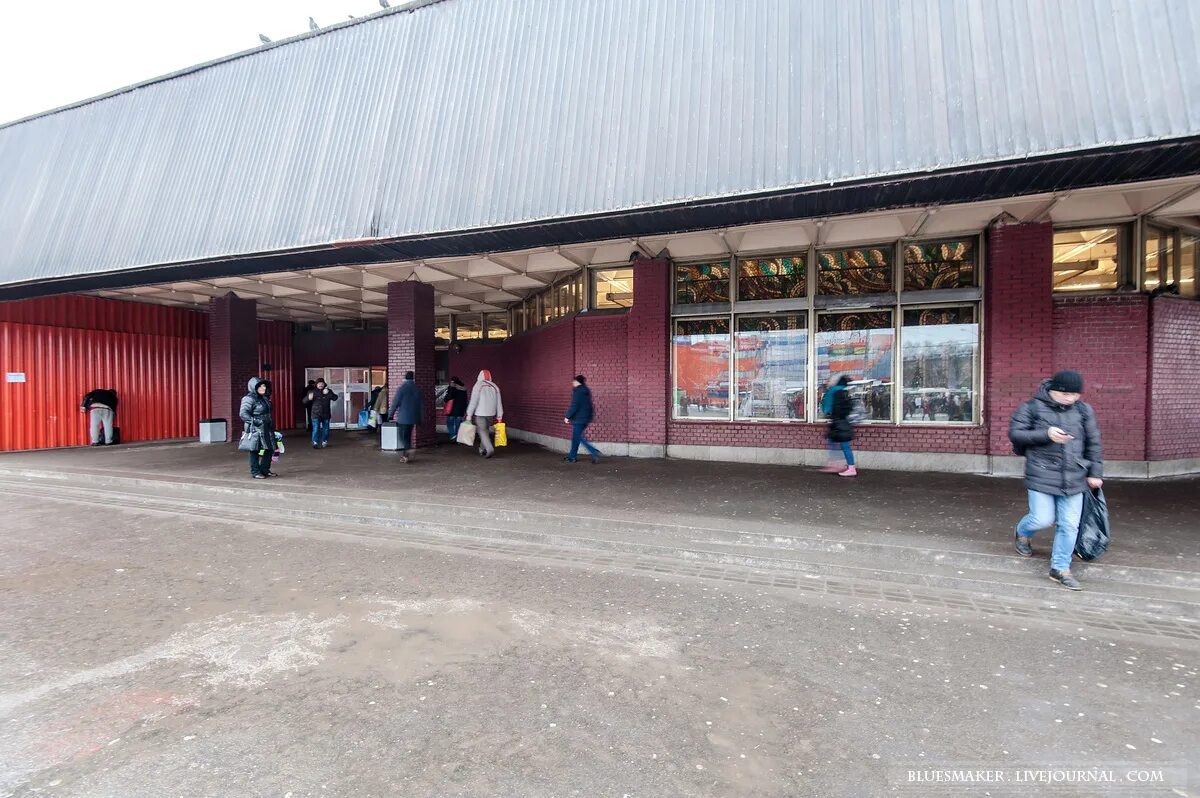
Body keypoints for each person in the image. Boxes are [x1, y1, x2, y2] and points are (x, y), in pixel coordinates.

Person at [1008, 370, 1103, 591]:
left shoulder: (1083, 410)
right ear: (1053, 390)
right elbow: (1016, 434)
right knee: (1041, 519)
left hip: (1075, 475)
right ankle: (1023, 532)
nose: (1071, 399)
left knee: (1069, 525)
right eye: (1066, 394)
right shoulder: (1030, 407)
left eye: (1075, 395)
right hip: (1041, 472)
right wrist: (1046, 434)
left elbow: (1094, 443)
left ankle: (1060, 568)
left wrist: (1095, 473)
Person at [239, 377, 277, 479]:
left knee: (269, 448)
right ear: (253, 387)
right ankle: (255, 472)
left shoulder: (264, 398)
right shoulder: (248, 398)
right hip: (255, 428)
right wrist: (256, 421)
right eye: (259, 386)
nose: (262, 388)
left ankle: (265, 470)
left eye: (264, 385)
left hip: (267, 427)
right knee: (254, 450)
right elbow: (243, 414)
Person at [820, 374, 857, 477]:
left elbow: (829, 408)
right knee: (833, 441)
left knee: (844, 445)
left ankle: (850, 467)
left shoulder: (834, 391)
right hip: (842, 421)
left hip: (840, 422)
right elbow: (848, 407)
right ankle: (838, 464)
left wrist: (831, 414)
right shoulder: (844, 391)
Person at [465, 369, 504, 459]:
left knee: (482, 431)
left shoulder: (478, 385)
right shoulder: (495, 386)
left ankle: (489, 448)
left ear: (479, 376)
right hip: (491, 414)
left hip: (480, 413)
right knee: (485, 430)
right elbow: (499, 402)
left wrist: (469, 414)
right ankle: (482, 449)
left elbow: (473, 401)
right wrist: (500, 416)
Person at [564, 375, 601, 464]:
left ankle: (594, 452)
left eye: (574, 381)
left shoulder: (578, 392)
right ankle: (572, 456)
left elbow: (575, 405)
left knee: (578, 437)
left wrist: (567, 416)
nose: (572, 383)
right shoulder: (586, 390)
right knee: (576, 438)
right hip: (585, 418)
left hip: (579, 418)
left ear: (577, 382)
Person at [387, 370, 423, 463]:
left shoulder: (402, 388)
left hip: (403, 418)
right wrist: (421, 418)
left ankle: (408, 450)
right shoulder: (417, 388)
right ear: (413, 378)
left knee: (402, 436)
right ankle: (405, 455)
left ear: (405, 377)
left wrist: (390, 414)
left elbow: (395, 402)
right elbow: (421, 405)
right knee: (407, 435)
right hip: (413, 417)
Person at [306, 378, 338, 449]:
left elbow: (335, 398)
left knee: (326, 429)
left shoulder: (328, 391)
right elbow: (304, 401)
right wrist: (308, 398)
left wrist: (329, 393)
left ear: (324, 384)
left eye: (322, 383)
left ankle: (324, 441)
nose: (321, 385)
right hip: (315, 414)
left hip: (326, 414)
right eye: (319, 383)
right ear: (316, 385)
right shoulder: (312, 391)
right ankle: (315, 442)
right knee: (316, 428)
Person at [443, 377, 469, 442]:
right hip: (460, 410)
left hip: (452, 409)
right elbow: (465, 400)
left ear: (452, 382)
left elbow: (448, 397)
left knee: (449, 423)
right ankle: (457, 437)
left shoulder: (452, 387)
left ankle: (453, 436)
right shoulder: (463, 388)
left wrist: (445, 399)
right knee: (458, 424)